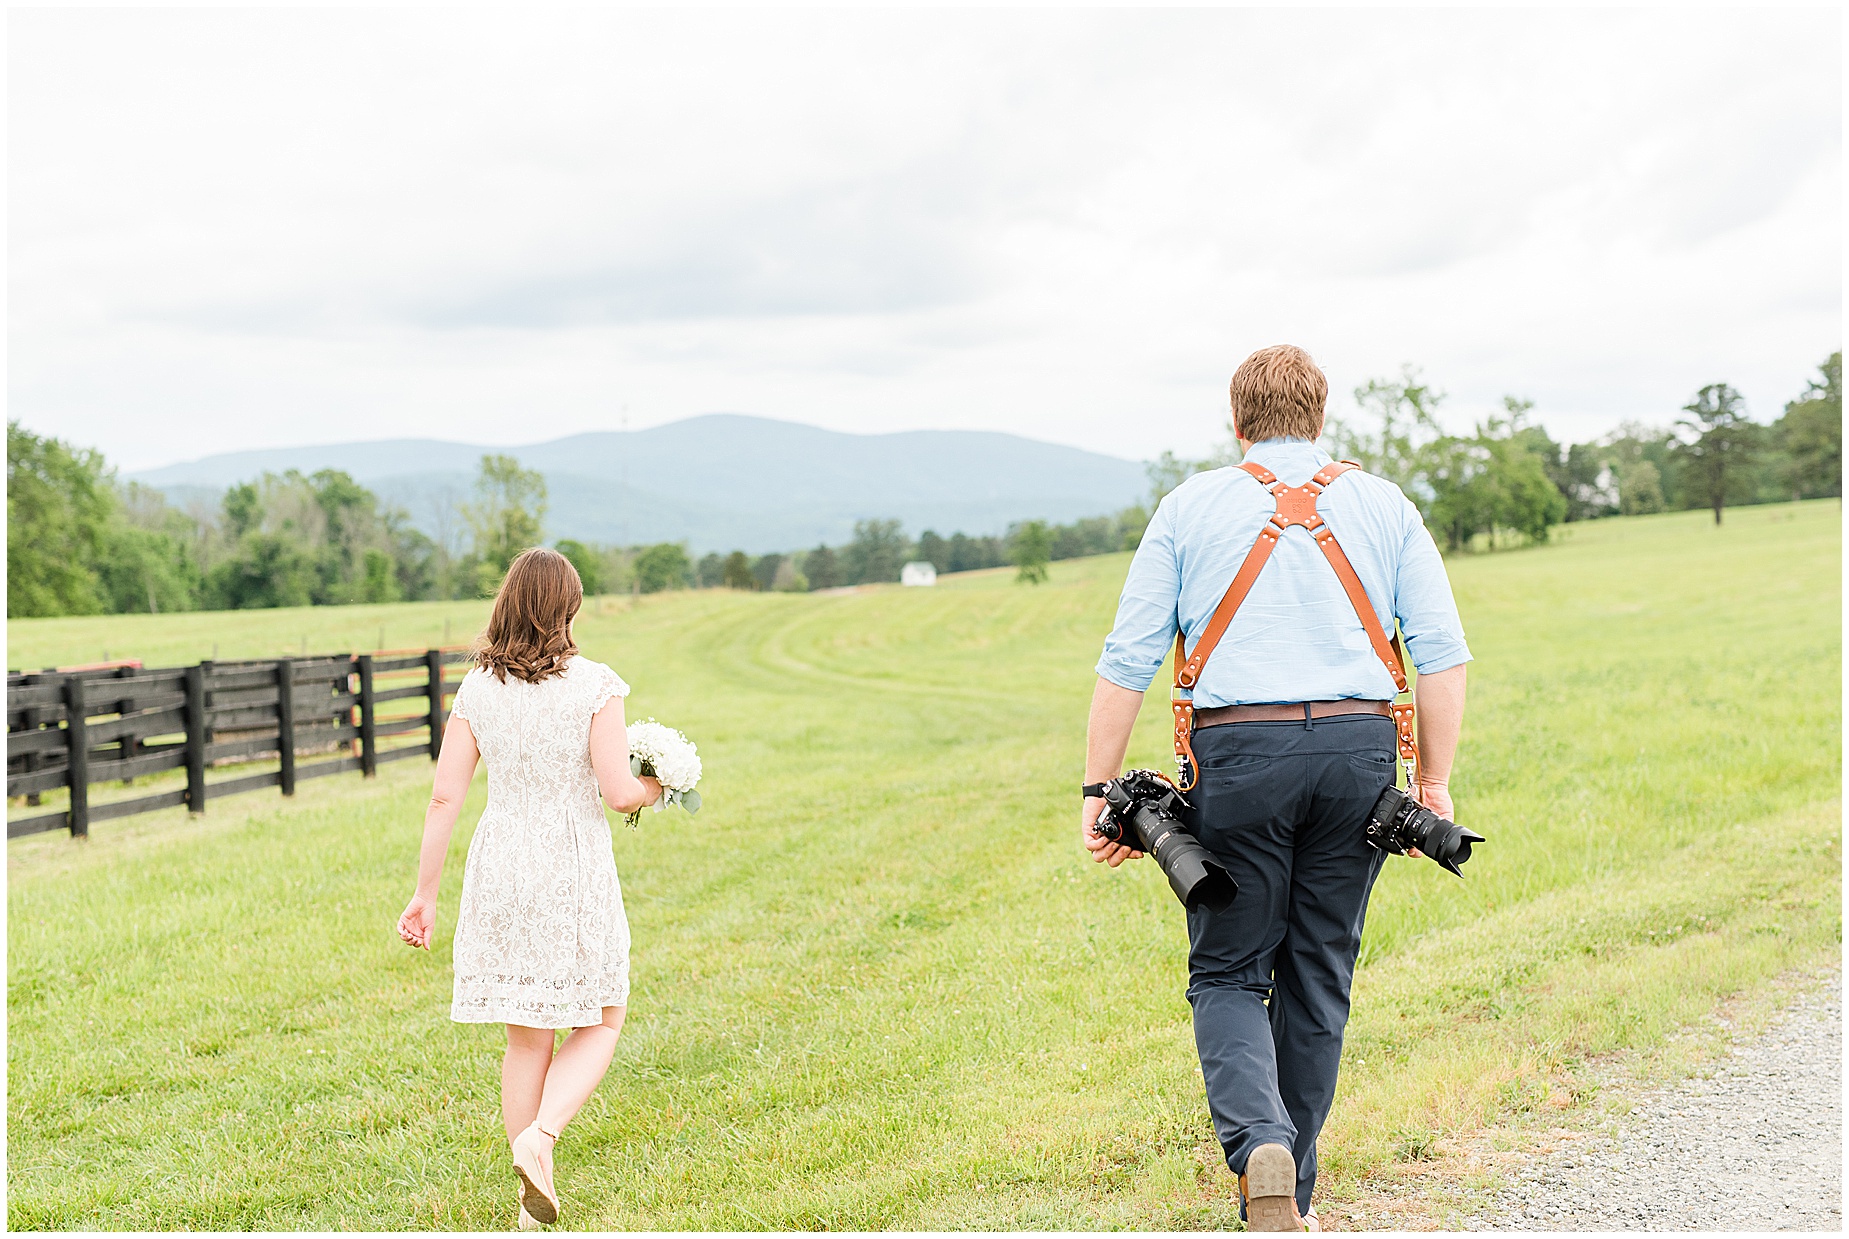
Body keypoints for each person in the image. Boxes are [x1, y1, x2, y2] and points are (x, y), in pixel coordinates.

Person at [1082, 345, 1471, 1231]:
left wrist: (1095, 789)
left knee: (1226, 967)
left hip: (1239, 754)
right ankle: (1288, 1190)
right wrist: (1434, 783)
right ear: (1320, 418)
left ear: (1237, 424)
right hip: (1361, 753)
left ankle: (1259, 1137)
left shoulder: (1187, 507)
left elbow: (1126, 661)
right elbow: (1442, 657)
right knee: (1318, 971)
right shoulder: (1384, 505)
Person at [396, 547, 662, 1229]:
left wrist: (425, 895)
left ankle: (528, 1204)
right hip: (568, 862)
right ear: (567, 609)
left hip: (502, 863)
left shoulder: (479, 687)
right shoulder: (596, 685)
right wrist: (660, 786)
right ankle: (539, 1139)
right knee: (603, 1014)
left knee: (526, 1038)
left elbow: (443, 796)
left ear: (508, 602)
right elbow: (616, 792)